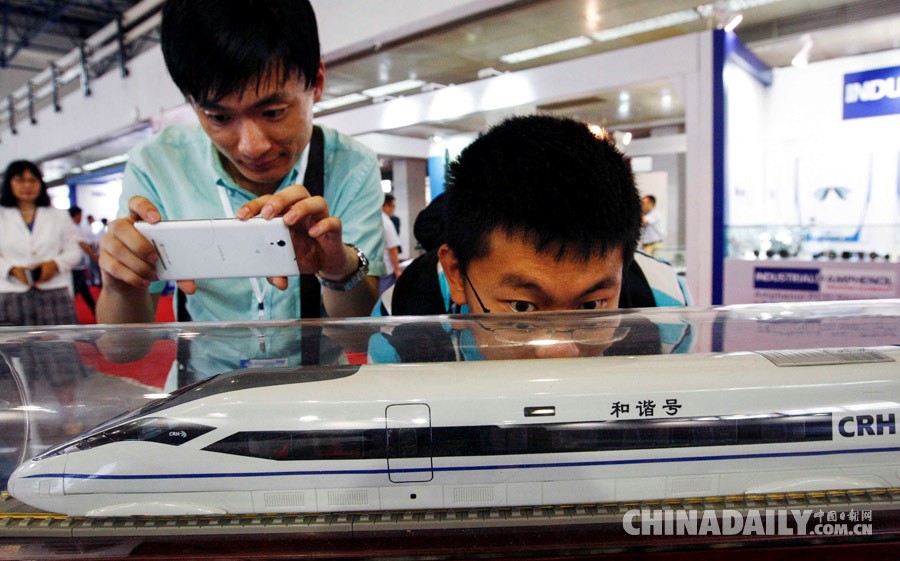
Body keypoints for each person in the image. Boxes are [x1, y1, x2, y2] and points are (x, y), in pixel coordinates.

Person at [96, 0, 385, 326]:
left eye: (273, 112)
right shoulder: (158, 164)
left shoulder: (352, 166)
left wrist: (338, 268)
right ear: (192, 104)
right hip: (203, 360)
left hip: (318, 361)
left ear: (316, 82)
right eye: (219, 117)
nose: (252, 147)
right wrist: (121, 284)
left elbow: (359, 328)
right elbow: (122, 347)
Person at [371, 115, 691, 362]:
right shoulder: (400, 325)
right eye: (522, 308)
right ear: (456, 273)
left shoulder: (667, 309)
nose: (560, 353)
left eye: (591, 306)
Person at [0, 160, 83, 326]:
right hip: (11, 292)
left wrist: (54, 264)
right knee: (15, 343)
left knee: (59, 342)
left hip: (54, 292)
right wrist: (11, 269)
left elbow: (75, 250)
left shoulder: (58, 215)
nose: (27, 185)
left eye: (33, 180)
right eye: (20, 180)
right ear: (9, 183)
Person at [68, 205, 99, 316]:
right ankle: (69, 315)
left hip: (78, 265)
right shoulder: (72, 228)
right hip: (75, 266)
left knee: (84, 291)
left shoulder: (72, 227)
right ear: (76, 215)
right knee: (75, 292)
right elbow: (84, 245)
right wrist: (96, 259)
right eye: (80, 215)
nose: (81, 218)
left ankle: (96, 312)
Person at [380, 194, 403, 294]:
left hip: (372, 270)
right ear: (385, 206)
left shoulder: (371, 220)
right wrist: (397, 269)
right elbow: (392, 249)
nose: (393, 210)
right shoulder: (387, 222)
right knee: (385, 297)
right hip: (387, 270)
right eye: (392, 206)